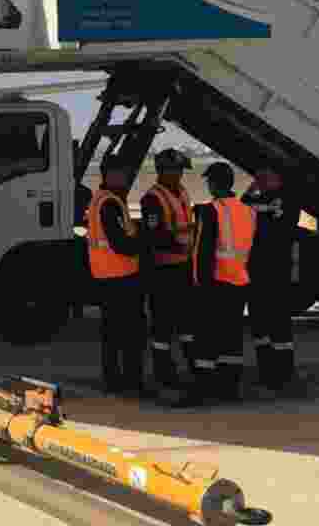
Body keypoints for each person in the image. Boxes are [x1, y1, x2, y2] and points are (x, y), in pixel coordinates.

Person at [172, 162, 255, 408]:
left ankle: (201, 390)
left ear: (214, 184)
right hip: (239, 281)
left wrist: (198, 285)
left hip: (215, 283)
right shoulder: (248, 211)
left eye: (209, 182)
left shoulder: (210, 211)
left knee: (206, 339)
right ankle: (229, 388)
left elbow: (202, 253)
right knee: (231, 337)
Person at [85, 154, 147, 397]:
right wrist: (144, 243)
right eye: (121, 173)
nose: (125, 177)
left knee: (113, 333)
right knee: (130, 333)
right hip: (120, 277)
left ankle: (114, 381)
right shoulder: (109, 203)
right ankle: (131, 383)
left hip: (108, 276)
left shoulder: (103, 200)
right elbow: (121, 243)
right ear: (110, 174)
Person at [241, 166, 304, 394]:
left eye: (266, 177)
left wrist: (254, 194)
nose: (262, 181)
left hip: (275, 272)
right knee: (260, 324)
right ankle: (268, 372)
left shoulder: (286, 199)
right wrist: (254, 189)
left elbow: (249, 209)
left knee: (278, 325)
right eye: (260, 178)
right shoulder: (267, 198)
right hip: (258, 271)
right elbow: (243, 207)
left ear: (278, 178)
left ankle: (282, 374)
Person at [140, 148, 194, 390]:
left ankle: (192, 365)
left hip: (182, 266)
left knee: (185, 322)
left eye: (181, 171)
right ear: (163, 171)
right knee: (162, 326)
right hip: (163, 270)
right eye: (176, 171)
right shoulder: (152, 198)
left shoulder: (181, 192)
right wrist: (181, 247)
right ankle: (164, 373)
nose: (180, 176)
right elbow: (156, 235)